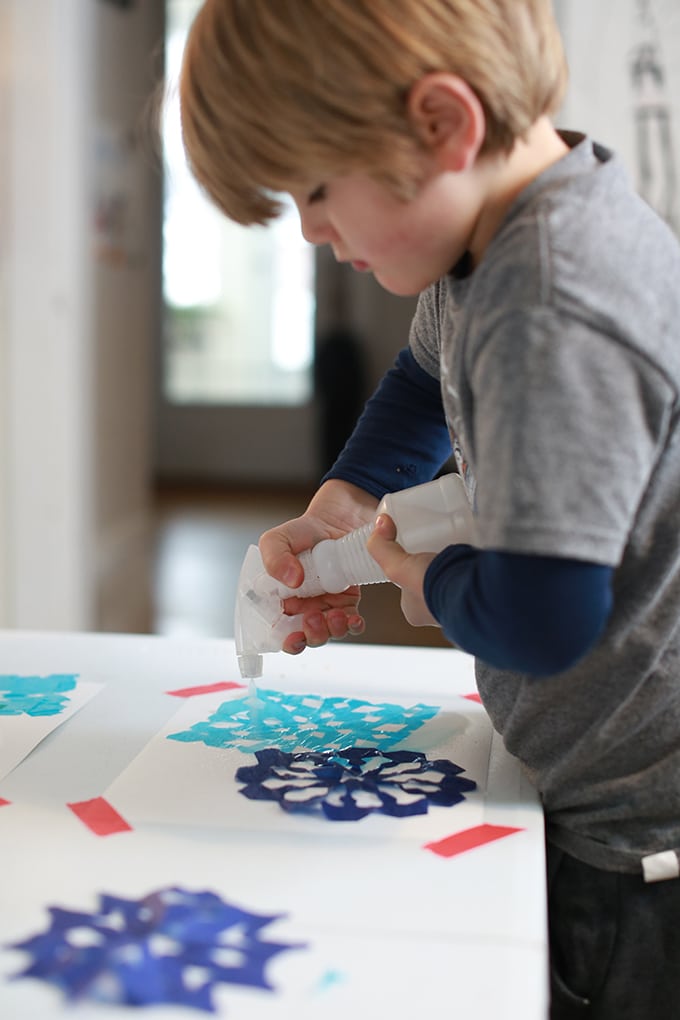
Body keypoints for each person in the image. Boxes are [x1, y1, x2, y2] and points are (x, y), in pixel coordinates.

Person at [179, 2, 680, 1016]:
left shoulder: (546, 298)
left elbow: (542, 618)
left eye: (315, 191)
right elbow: (419, 380)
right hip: (596, 780)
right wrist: (342, 508)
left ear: (442, 125)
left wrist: (425, 579)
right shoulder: (492, 246)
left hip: (638, 841)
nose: (314, 232)